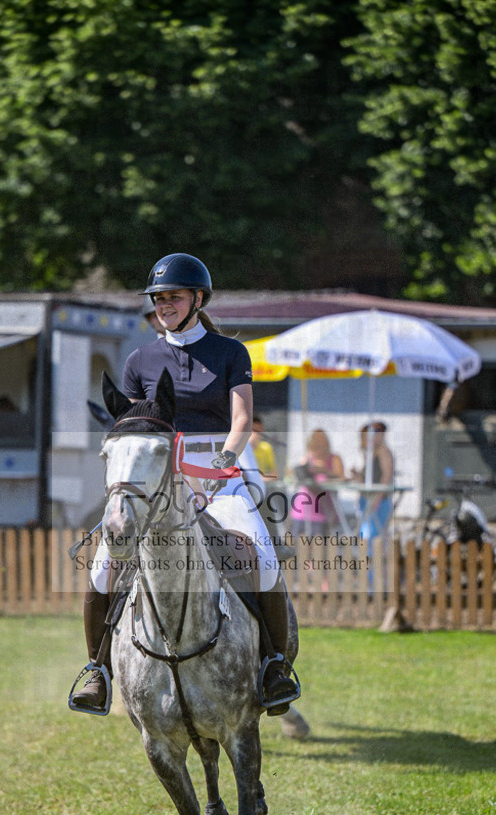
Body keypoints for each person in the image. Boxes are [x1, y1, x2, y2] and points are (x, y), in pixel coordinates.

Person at [71, 252, 300, 717]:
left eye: (173, 297)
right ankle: (97, 670)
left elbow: (241, 421)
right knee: (101, 568)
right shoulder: (140, 359)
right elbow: (136, 428)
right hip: (160, 480)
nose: (164, 305)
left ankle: (275, 665)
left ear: (198, 299)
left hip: (221, 472)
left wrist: (217, 470)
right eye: (158, 299)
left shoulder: (229, 353)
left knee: (262, 557)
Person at [349, 420, 395, 552]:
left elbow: (386, 477)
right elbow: (367, 480)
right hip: (367, 499)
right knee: (364, 538)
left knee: (372, 539)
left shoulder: (383, 452)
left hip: (378, 502)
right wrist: (357, 475)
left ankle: (372, 565)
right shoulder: (370, 453)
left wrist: (378, 497)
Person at [290, 428, 344, 538]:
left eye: (322, 440)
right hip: (303, 510)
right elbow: (297, 476)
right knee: (298, 543)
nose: (319, 443)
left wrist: (324, 471)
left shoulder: (334, 459)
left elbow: (341, 478)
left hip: (325, 511)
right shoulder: (307, 458)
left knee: (321, 544)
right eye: (316, 440)